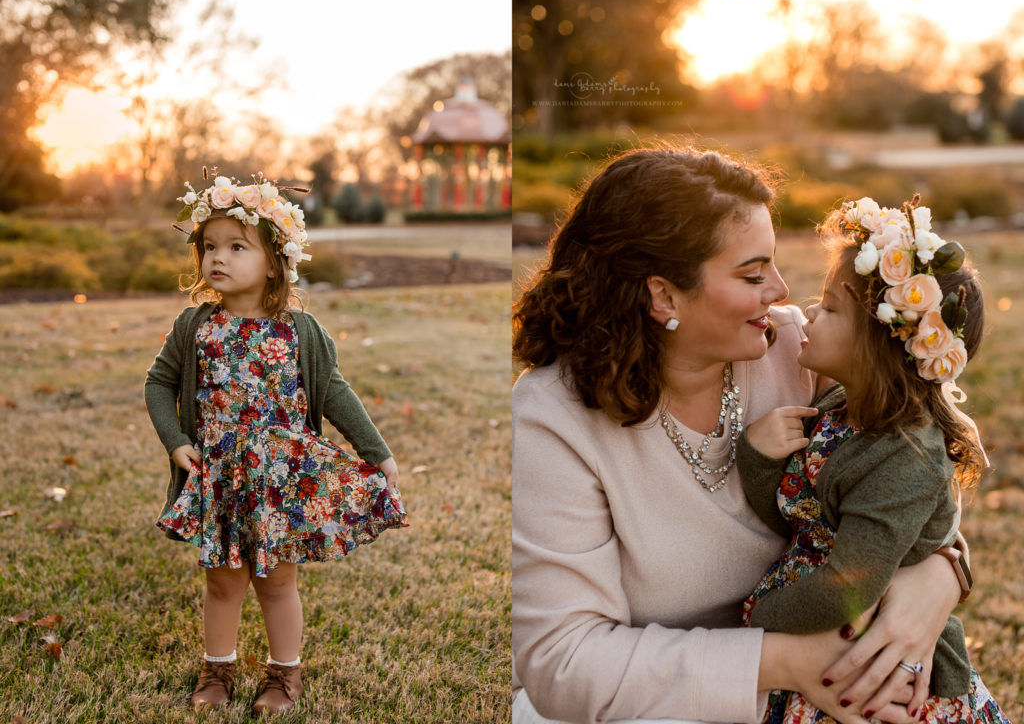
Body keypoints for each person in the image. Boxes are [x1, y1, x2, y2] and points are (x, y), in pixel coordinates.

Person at [512, 147, 972, 724]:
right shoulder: (556, 413)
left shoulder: (794, 350)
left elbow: (911, 473)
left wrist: (941, 578)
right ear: (664, 296)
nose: (781, 291)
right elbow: (564, 662)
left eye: (774, 266)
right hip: (653, 698)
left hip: (806, 689)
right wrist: (786, 660)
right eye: (753, 274)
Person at [145, 171, 408, 714]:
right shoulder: (195, 327)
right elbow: (158, 384)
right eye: (210, 247)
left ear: (274, 261)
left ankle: (284, 675)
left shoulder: (300, 332)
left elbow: (335, 393)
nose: (218, 257)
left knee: (277, 582)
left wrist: (376, 452)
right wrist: (175, 441)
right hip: (220, 478)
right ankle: (216, 671)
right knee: (222, 583)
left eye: (237, 247)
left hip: (279, 481)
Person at [738, 196, 1008, 723]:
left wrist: (756, 621)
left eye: (831, 309)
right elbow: (796, 519)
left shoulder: (907, 456)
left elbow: (851, 586)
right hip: (818, 632)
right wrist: (759, 459)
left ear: (880, 345)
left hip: (873, 662)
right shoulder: (839, 409)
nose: (810, 313)